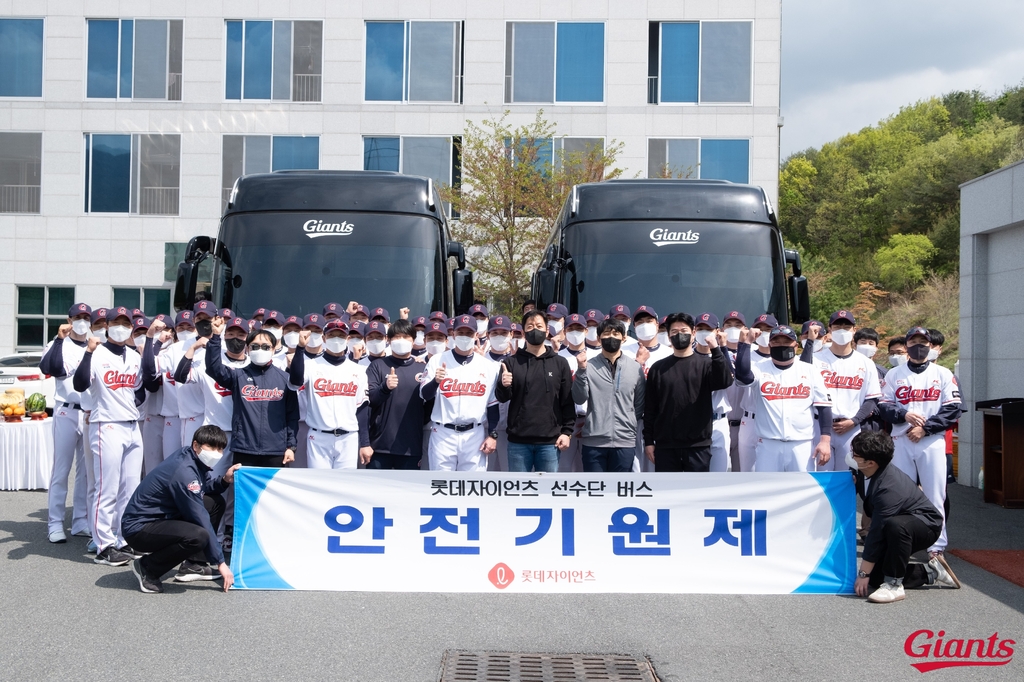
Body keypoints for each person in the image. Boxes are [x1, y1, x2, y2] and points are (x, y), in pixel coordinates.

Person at [121, 425, 238, 594]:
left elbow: (203, 488)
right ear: (196, 445)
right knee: (198, 535)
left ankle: (194, 564)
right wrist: (221, 562)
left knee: (214, 502)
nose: (216, 453)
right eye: (211, 447)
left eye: (220, 449)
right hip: (138, 528)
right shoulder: (184, 471)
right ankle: (147, 568)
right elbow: (200, 516)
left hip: (161, 516)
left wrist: (224, 481)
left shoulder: (192, 458)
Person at [877, 327, 961, 560]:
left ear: (929, 344)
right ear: (907, 345)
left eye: (923, 341)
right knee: (900, 495)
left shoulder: (943, 373)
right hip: (901, 440)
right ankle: (899, 542)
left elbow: (952, 408)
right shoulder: (894, 374)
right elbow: (883, 406)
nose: (918, 345)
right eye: (913, 340)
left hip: (930, 440)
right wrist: (904, 415)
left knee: (936, 495)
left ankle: (937, 546)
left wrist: (925, 428)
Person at [851, 430, 960, 604]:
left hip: (925, 525)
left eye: (854, 455)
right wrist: (867, 575)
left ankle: (894, 584)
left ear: (870, 462)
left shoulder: (888, 488)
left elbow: (876, 533)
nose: (851, 457)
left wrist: (862, 573)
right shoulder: (867, 470)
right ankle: (931, 572)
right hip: (899, 522)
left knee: (896, 526)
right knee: (875, 575)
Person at [73, 306, 145, 566]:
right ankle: (103, 545)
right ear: (107, 325)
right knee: (107, 489)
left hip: (131, 425)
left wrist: (125, 402)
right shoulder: (95, 353)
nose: (122, 326)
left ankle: (123, 538)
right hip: (107, 425)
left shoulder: (135, 356)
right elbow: (79, 384)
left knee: (130, 488)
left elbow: (140, 392)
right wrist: (89, 352)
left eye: (127, 322)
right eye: (117, 321)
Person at [734, 325, 832, 472]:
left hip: (801, 444)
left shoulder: (810, 370)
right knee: (767, 490)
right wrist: (746, 343)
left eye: (786, 342)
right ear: (769, 345)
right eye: (776, 342)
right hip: (768, 444)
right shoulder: (759, 368)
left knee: (802, 489)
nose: (781, 345)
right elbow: (742, 375)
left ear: (795, 345)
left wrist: (825, 441)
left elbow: (824, 408)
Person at [642, 313, 733, 472]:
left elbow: (725, 380)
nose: (679, 335)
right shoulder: (658, 368)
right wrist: (649, 441)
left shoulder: (706, 365)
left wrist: (716, 349)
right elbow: (650, 408)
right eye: (674, 332)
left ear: (693, 334)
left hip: (698, 445)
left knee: (697, 494)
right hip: (666, 446)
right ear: (669, 337)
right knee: (668, 493)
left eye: (684, 331)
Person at [205, 317, 299, 468]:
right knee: (243, 491)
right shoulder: (237, 376)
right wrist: (215, 337)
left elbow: (292, 416)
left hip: (276, 451)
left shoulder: (285, 379)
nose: (260, 350)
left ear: (274, 349)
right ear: (247, 349)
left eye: (265, 347)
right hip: (244, 448)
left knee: (272, 492)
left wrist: (291, 446)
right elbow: (213, 368)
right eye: (255, 346)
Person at [494, 310, 576, 472]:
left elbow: (566, 400)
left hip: (550, 442)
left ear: (547, 331)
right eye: (530, 327)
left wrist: (567, 432)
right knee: (518, 492)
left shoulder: (560, 363)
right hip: (519, 442)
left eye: (539, 326)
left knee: (546, 494)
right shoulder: (511, 363)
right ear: (523, 332)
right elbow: (502, 398)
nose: (535, 330)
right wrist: (504, 385)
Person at [40, 303, 94, 543]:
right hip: (66, 410)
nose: (81, 320)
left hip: (90, 413)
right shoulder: (57, 343)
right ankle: (54, 523)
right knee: (61, 470)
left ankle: (80, 520)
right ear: (69, 319)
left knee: (86, 472)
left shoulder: (95, 345)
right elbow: (49, 368)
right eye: (77, 316)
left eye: (85, 317)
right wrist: (60, 339)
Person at [420, 315, 501, 471]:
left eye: (469, 333)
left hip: (474, 434)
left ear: (476, 335)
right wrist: (435, 381)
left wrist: (492, 435)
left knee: (473, 486)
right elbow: (424, 395)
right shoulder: (437, 360)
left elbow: (492, 405)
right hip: (443, 433)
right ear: (453, 335)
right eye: (461, 333)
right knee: (441, 484)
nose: (465, 337)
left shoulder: (487, 366)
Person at [288, 319, 371, 469]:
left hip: (349, 438)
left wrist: (365, 443)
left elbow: (362, 409)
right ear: (324, 338)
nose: (336, 339)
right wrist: (300, 348)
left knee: (345, 486)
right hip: (318, 437)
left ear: (347, 339)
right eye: (332, 335)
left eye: (341, 335)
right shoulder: (311, 366)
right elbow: (294, 382)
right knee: (319, 486)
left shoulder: (358, 370)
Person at [810, 311, 882, 471]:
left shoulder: (866, 363)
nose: (842, 330)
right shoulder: (815, 359)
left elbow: (872, 399)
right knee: (820, 478)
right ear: (829, 330)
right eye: (837, 326)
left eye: (846, 326)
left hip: (850, 428)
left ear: (854, 330)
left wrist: (855, 421)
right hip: (819, 426)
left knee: (849, 478)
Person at [572, 317, 645, 472]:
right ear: (598, 338)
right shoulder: (589, 365)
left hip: (624, 441)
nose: (611, 337)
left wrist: (628, 420)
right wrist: (581, 371)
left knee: (619, 491)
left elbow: (639, 403)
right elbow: (579, 398)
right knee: (595, 491)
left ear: (623, 338)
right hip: (594, 441)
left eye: (615, 333)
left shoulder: (635, 368)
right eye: (606, 333)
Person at [365, 319, 427, 470]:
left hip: (411, 447)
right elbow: (371, 400)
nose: (401, 341)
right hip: (380, 446)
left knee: (407, 492)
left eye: (406, 337)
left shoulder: (423, 367)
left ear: (413, 341)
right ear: (389, 340)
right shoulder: (377, 366)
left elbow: (429, 404)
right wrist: (385, 387)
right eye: (397, 337)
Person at [692, 313, 733, 472]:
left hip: (719, 420)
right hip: (695, 420)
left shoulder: (720, 356)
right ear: (694, 331)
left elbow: (728, 379)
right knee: (695, 473)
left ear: (717, 331)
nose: (704, 332)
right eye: (700, 328)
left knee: (720, 472)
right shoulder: (688, 355)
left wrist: (720, 348)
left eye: (708, 329)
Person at [736, 314, 776, 471]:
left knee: (771, 469)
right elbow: (740, 378)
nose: (764, 333)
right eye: (760, 329)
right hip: (749, 418)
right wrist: (746, 343)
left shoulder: (781, 357)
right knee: (747, 470)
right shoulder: (748, 354)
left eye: (769, 329)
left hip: (771, 418)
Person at [557, 313, 590, 472]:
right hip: (565, 422)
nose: (575, 332)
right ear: (564, 331)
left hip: (591, 421)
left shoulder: (597, 357)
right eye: (571, 328)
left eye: (579, 328)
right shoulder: (557, 358)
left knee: (588, 469)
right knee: (562, 469)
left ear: (586, 331)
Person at [721, 311, 747, 472]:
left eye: (737, 325)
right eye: (729, 325)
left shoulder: (753, 352)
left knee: (743, 474)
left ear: (745, 328)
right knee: (721, 473)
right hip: (721, 422)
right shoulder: (712, 352)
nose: (733, 329)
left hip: (746, 424)